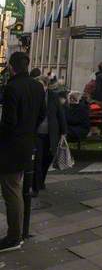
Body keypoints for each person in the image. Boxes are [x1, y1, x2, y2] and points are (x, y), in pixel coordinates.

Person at [0, 52, 46, 252]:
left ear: (12, 67)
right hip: (27, 142)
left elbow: (8, 123)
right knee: (15, 187)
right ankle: (16, 233)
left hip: (11, 146)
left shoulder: (12, 88)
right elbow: (42, 114)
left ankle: (14, 236)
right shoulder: (37, 86)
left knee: (11, 189)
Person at [33, 75, 68, 197]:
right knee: (37, 160)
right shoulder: (33, 97)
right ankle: (35, 187)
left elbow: (60, 114)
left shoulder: (53, 97)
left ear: (46, 86)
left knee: (47, 158)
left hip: (51, 133)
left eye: (41, 85)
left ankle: (41, 181)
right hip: (37, 134)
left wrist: (64, 132)